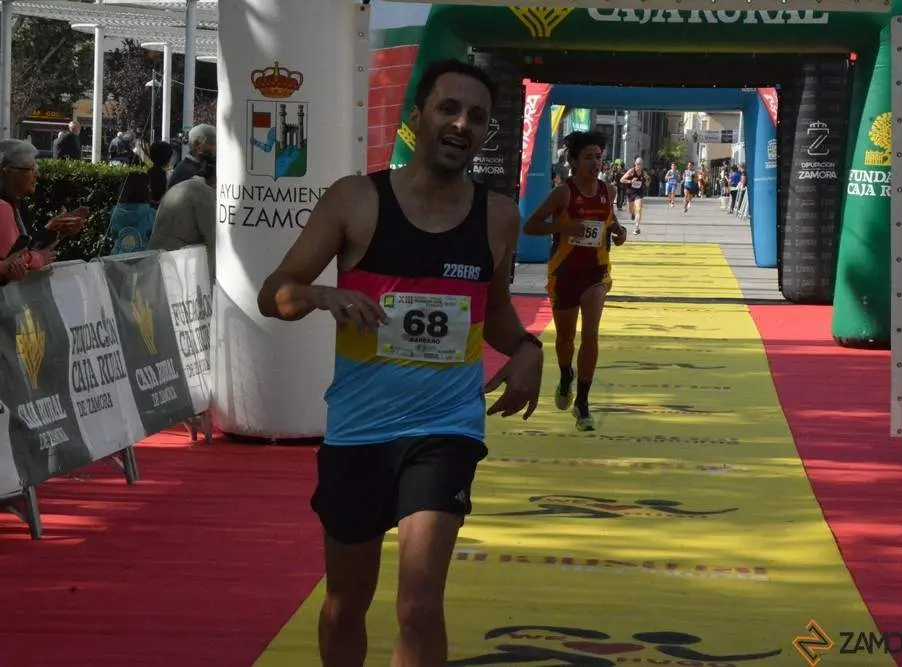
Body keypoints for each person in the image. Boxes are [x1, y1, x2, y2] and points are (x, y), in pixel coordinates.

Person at [256, 58, 543, 667]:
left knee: (418, 605)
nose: (461, 124)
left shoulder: (497, 217)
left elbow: (491, 313)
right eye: (448, 109)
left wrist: (527, 348)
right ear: (417, 117)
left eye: (477, 117)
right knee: (344, 603)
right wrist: (318, 294)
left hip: (445, 429)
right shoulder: (355, 200)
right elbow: (274, 293)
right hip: (359, 430)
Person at [523, 130, 626, 432]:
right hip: (564, 274)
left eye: (599, 157)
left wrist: (619, 234)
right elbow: (531, 226)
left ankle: (582, 403)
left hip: (595, 274)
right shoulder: (563, 193)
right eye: (588, 157)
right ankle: (566, 374)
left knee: (591, 335)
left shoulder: (609, 190)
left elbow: (611, 224)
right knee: (565, 339)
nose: (596, 163)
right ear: (574, 161)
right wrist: (565, 228)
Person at [0, 139, 87, 280]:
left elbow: (24, 249)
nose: (37, 175)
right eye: (31, 168)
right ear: (9, 171)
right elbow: (13, 260)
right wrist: (36, 259)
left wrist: (55, 230)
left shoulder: (17, 205)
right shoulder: (4, 207)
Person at [148, 155, 217, 276]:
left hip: (156, 255)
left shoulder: (183, 186)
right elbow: (213, 241)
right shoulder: (205, 194)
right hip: (177, 262)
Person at [109, 172, 156, 254]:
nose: (150, 189)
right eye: (148, 187)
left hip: (117, 259)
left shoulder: (115, 212)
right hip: (143, 261)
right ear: (144, 190)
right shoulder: (151, 214)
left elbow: (114, 235)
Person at [168, 124, 216, 190]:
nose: (216, 148)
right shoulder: (187, 172)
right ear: (197, 144)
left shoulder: (196, 167)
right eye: (213, 144)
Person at [619, 156, 651, 235]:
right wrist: (630, 181)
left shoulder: (643, 172)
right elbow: (621, 180)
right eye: (637, 164)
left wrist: (647, 183)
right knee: (630, 210)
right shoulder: (631, 171)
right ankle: (633, 214)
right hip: (630, 193)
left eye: (640, 164)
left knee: (639, 208)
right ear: (635, 164)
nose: (639, 166)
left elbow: (648, 179)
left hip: (639, 193)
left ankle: (637, 227)